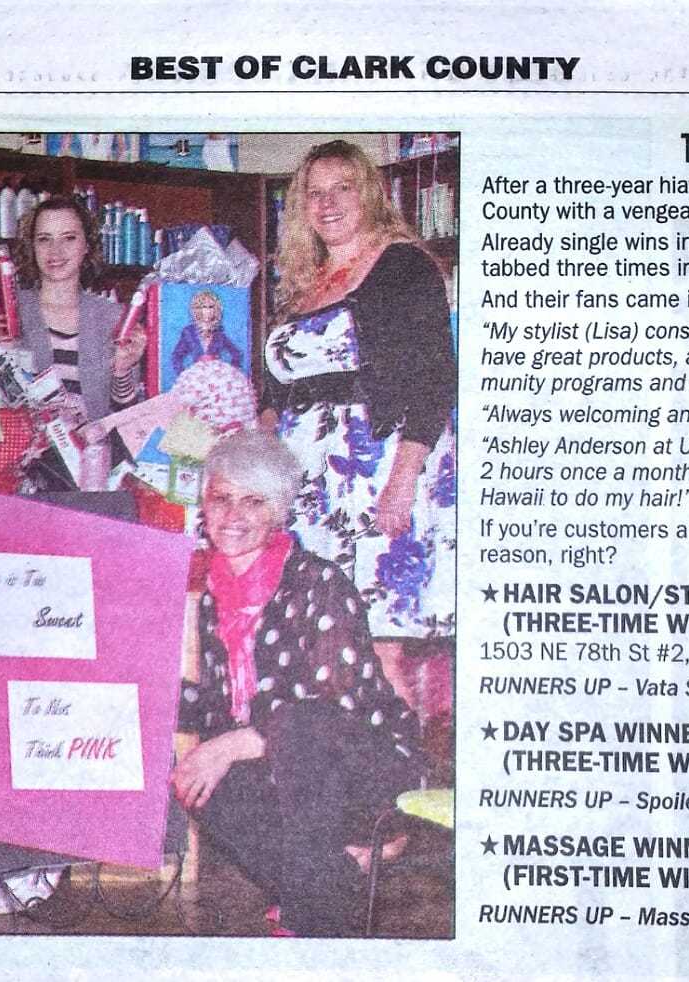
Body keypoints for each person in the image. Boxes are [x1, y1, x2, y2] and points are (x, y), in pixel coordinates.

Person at [174, 430, 423, 938]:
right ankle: (328, 887)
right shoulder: (212, 596)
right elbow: (223, 711)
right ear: (204, 505)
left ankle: (311, 914)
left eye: (254, 501)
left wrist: (227, 746)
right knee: (204, 784)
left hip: (362, 767)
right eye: (221, 499)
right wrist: (145, 697)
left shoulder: (317, 580)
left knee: (296, 726)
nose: (234, 515)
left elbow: (331, 711)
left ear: (280, 511)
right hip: (284, 777)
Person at [262, 139, 458, 679]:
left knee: (380, 643)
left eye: (342, 189)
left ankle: (398, 764)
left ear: (369, 194)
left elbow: (433, 379)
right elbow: (280, 391)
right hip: (309, 482)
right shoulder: (303, 283)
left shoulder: (402, 267)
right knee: (317, 637)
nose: (327, 204)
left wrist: (401, 482)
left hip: (378, 470)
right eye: (314, 193)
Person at [0, 194, 142, 424]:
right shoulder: (2, 313)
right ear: (31, 247)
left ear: (87, 246)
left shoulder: (115, 319)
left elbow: (129, 417)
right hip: (20, 456)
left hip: (95, 456)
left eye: (69, 238)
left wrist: (122, 370)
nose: (56, 251)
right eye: (44, 239)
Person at [168, 288, 245, 380]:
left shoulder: (219, 333)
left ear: (216, 310)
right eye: (204, 307)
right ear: (197, 309)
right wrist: (183, 374)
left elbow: (237, 353)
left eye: (211, 307)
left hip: (216, 376)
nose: (208, 311)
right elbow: (176, 356)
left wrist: (230, 372)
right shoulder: (189, 332)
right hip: (196, 376)